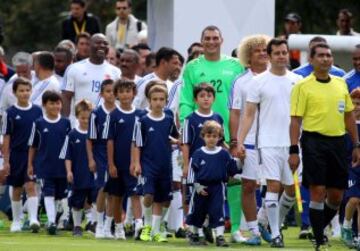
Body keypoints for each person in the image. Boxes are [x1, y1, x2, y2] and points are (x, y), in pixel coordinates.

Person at [289, 42, 360, 250]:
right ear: (311, 60)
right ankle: (319, 240)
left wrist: (356, 144)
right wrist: (294, 150)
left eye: (328, 55)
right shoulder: (302, 86)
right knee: (318, 191)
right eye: (320, 55)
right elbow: (295, 121)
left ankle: (316, 227)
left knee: (336, 197)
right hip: (313, 141)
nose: (325, 59)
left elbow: (348, 116)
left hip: (338, 142)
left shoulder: (340, 84)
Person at [238, 39, 302, 248]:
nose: (282, 56)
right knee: (273, 185)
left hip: (293, 143)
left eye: (284, 52)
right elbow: (248, 115)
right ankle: (275, 234)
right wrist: (239, 141)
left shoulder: (298, 80)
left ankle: (270, 221)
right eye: (277, 53)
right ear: (270, 55)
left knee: (291, 189)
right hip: (267, 143)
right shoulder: (258, 82)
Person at [228, 34, 270, 245]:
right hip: (250, 141)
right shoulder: (241, 82)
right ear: (248, 56)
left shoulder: (280, 76)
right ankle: (254, 231)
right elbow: (235, 114)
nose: (262, 53)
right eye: (257, 50)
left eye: (265, 49)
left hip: (274, 141)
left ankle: (264, 220)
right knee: (248, 186)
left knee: (278, 186)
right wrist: (236, 143)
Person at [179, 25, 245, 143]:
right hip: (201, 134)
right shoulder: (192, 67)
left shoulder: (237, 65)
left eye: (215, 38)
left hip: (231, 135)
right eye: (207, 38)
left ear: (221, 40)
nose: (211, 42)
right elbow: (186, 101)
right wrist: (186, 128)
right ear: (202, 41)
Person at [133, 84, 179, 242]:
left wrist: (179, 142)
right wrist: (137, 163)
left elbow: (173, 136)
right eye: (155, 99)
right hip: (148, 165)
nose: (158, 102)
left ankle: (156, 230)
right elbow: (137, 144)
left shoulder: (168, 119)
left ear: (166, 101)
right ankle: (146, 226)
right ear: (149, 101)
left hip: (165, 165)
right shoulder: (143, 121)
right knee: (148, 195)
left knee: (163, 199)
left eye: (161, 99)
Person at [186, 120, 241, 247]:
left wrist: (241, 159)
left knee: (218, 211)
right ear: (203, 136)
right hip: (200, 187)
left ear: (220, 137)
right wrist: (196, 186)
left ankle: (220, 237)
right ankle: (196, 235)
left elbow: (233, 168)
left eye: (214, 136)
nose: (211, 139)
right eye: (208, 136)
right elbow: (191, 171)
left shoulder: (223, 154)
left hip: (217, 187)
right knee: (197, 211)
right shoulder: (198, 153)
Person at [103, 79, 143, 240]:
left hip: (133, 164)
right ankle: (118, 228)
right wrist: (111, 163)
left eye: (128, 91)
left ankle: (139, 224)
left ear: (134, 93)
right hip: (118, 164)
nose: (125, 95)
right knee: (117, 197)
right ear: (116, 94)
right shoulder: (113, 115)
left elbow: (142, 141)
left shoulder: (141, 115)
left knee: (135, 194)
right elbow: (110, 141)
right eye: (121, 91)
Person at [1, 78, 43, 233]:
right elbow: (6, 137)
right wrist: (6, 161)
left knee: (31, 185)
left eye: (27, 90)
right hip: (16, 155)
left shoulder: (38, 111)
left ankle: (33, 219)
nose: (25, 93)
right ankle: (17, 220)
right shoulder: (10, 113)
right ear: (14, 93)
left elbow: (40, 134)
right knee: (17, 188)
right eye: (21, 90)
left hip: (32, 155)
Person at [28, 91, 71, 235]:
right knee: (48, 194)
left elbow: (70, 146)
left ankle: (60, 218)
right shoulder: (39, 123)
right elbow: (33, 146)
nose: (55, 106)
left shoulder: (66, 123)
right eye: (51, 103)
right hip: (45, 167)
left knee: (61, 197)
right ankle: (51, 222)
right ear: (44, 105)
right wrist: (30, 164)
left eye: (57, 103)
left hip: (63, 167)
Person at [61, 33, 121, 124]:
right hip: (80, 124)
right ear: (89, 46)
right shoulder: (74, 69)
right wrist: (65, 122)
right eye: (97, 43)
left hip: (105, 125)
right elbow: (66, 97)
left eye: (105, 43)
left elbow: (118, 99)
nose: (102, 45)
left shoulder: (116, 72)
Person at [60, 99, 95, 237]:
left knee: (95, 199)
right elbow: (67, 156)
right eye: (83, 118)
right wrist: (69, 171)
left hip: (93, 174)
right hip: (78, 174)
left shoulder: (95, 134)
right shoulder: (72, 135)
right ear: (77, 117)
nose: (86, 121)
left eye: (88, 118)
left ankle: (93, 224)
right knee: (77, 201)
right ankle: (77, 226)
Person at [87, 80, 116, 239]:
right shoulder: (96, 113)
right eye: (107, 91)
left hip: (117, 155)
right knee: (102, 188)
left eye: (113, 91)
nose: (111, 94)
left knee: (114, 192)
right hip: (100, 154)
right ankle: (98, 223)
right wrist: (91, 159)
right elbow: (90, 138)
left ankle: (107, 226)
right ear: (101, 94)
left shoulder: (119, 112)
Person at [340, 88, 360, 248]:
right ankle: (346, 226)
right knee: (353, 199)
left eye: (359, 103)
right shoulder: (344, 124)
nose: (356, 106)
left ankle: (358, 236)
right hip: (350, 167)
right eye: (353, 104)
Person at [0, 52, 36, 117]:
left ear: (31, 67)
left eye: (24, 72)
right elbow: (2, 111)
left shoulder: (41, 79)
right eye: (18, 72)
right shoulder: (9, 86)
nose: (21, 75)